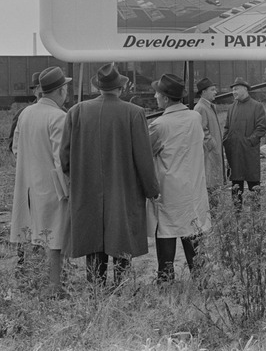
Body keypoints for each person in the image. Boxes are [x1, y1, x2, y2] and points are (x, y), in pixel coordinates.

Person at [60, 63, 160, 286]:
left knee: (92, 239)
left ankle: (96, 287)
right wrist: (152, 189)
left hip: (87, 188)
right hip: (124, 188)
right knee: (121, 236)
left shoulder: (76, 112)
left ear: (98, 88)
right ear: (120, 88)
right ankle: (120, 286)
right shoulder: (134, 113)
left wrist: (77, 178)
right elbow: (144, 158)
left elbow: (64, 158)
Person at [10, 65, 73, 297]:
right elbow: (62, 158)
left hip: (28, 184)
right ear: (60, 90)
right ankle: (55, 287)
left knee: (35, 234)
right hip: (52, 187)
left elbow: (16, 148)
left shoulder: (26, 113)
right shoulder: (58, 117)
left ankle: (37, 282)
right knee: (54, 237)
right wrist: (67, 188)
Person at [149, 73, 211, 282]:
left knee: (166, 231)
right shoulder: (195, 117)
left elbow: (148, 152)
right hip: (193, 185)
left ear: (166, 98)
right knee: (193, 229)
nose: (156, 96)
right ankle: (200, 276)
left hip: (170, 187)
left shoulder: (159, 125)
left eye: (158, 93)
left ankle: (165, 279)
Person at [222, 76, 266, 212]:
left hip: (249, 153)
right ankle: (237, 214)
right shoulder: (231, 108)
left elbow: (261, 128)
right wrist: (226, 141)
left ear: (245, 89)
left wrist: (249, 142)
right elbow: (226, 127)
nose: (233, 92)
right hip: (234, 153)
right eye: (233, 90)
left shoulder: (257, 106)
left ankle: (256, 216)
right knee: (236, 184)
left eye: (236, 89)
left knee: (253, 184)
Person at [193, 77, 225, 208]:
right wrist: (212, 144)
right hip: (208, 154)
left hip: (213, 153)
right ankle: (211, 216)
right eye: (212, 90)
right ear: (203, 92)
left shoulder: (209, 106)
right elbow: (202, 130)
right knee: (210, 184)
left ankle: (213, 213)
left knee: (213, 184)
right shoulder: (201, 108)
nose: (215, 92)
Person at [9, 72, 43, 152]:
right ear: (35, 91)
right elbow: (13, 145)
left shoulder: (63, 112)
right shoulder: (21, 114)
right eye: (41, 88)